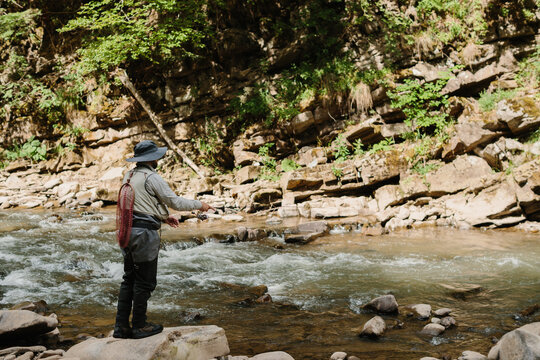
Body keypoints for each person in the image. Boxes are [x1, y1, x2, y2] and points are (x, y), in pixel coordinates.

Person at [113, 140, 214, 339]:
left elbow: (137, 202)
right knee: (145, 282)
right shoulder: (152, 177)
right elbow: (174, 201)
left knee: (129, 279)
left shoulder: (129, 175)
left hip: (126, 232)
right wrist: (200, 204)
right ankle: (139, 326)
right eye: (158, 155)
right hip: (144, 235)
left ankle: (121, 326)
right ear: (152, 158)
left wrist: (163, 217)